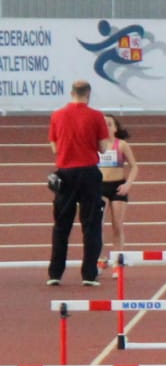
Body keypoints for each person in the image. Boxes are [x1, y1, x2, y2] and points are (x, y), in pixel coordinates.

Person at [47, 80, 110, 287]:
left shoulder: (57, 115)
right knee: (91, 224)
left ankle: (55, 273)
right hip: (89, 173)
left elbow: (55, 148)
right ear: (88, 94)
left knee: (61, 225)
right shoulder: (96, 116)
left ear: (71, 93)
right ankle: (89, 274)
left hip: (65, 173)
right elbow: (102, 147)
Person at [97, 114, 138, 269]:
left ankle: (117, 261)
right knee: (96, 226)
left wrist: (128, 184)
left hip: (118, 187)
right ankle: (100, 260)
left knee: (117, 225)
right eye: (103, 124)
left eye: (109, 124)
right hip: (100, 187)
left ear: (115, 128)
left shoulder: (121, 145)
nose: (106, 127)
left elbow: (134, 166)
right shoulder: (95, 145)